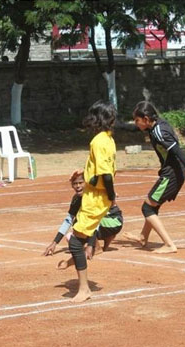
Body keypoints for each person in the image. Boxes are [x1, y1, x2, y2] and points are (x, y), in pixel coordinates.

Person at [125, 101, 185, 253]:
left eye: (137, 120)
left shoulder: (158, 132)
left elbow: (178, 152)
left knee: (147, 207)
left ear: (146, 118)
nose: (136, 124)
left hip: (171, 175)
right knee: (153, 205)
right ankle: (143, 237)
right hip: (171, 172)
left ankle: (169, 244)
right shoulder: (158, 125)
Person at [65, 100, 118, 302]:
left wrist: (111, 197)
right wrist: (85, 173)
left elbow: (106, 175)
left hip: (96, 197)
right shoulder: (107, 139)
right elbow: (99, 169)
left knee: (75, 241)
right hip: (95, 194)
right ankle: (82, 254)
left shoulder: (98, 141)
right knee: (79, 238)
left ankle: (84, 288)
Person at [43, 170, 85, 257]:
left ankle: (94, 245)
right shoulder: (76, 199)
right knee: (70, 237)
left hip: (107, 224)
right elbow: (68, 220)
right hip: (91, 229)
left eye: (81, 183)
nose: (78, 186)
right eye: (75, 183)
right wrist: (54, 243)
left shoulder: (93, 196)